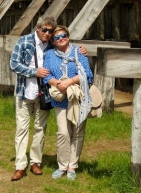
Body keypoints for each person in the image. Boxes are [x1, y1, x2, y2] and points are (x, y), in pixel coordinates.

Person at [9, 15, 87, 181]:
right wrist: (33, 72)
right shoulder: (23, 41)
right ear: (37, 28)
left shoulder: (51, 45)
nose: (48, 33)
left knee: (40, 129)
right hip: (25, 92)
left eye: (50, 31)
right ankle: (20, 166)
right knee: (22, 129)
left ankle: (35, 162)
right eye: (44, 30)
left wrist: (81, 50)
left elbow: (66, 47)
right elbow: (13, 64)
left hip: (44, 94)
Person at [43, 25, 93, 181]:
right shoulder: (49, 54)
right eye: (57, 37)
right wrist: (58, 84)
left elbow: (87, 74)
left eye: (63, 35)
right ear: (53, 41)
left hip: (78, 97)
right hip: (60, 99)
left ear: (68, 36)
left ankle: (72, 166)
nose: (60, 39)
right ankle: (62, 165)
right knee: (63, 132)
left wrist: (69, 82)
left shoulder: (79, 51)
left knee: (77, 132)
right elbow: (45, 75)